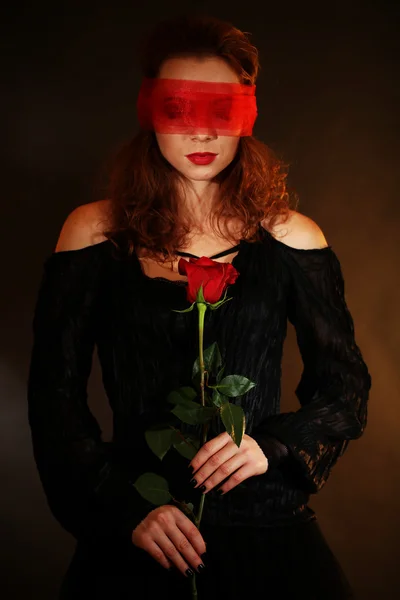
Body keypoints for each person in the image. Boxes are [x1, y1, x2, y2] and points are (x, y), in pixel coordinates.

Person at [27, 14, 372, 600]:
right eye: (180, 109)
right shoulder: (93, 233)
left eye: (223, 112)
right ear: (149, 112)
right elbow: (53, 397)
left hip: (269, 535)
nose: (203, 134)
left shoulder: (292, 238)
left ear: (248, 115)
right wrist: (126, 508)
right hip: (142, 533)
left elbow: (345, 386)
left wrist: (272, 446)